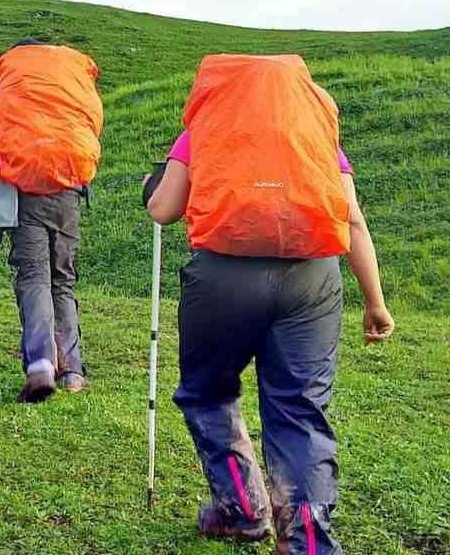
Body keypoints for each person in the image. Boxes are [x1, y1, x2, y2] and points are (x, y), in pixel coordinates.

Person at [144, 54, 394, 554]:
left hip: (221, 278)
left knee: (209, 393)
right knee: (300, 410)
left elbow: (164, 209)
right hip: (312, 279)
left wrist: (157, 184)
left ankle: (242, 510)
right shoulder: (314, 131)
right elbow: (352, 218)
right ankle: (307, 541)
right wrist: (376, 303)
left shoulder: (206, 123)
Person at [0, 38, 103, 403]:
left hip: (25, 190)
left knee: (34, 276)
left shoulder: (9, 84)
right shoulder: (73, 83)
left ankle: (41, 363)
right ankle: (72, 370)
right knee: (63, 278)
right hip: (70, 186)